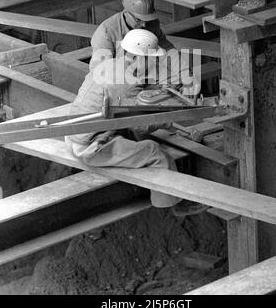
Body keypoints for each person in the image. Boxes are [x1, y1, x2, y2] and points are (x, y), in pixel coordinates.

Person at [66, 29, 203, 214]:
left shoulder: (111, 65)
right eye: (153, 59)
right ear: (141, 58)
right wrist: (168, 121)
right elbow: (140, 125)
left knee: (132, 134)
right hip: (90, 147)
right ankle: (175, 205)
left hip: (75, 134)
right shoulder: (127, 84)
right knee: (154, 151)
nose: (155, 63)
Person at [90, 0, 200, 98]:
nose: (144, 25)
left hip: (147, 71)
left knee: (177, 82)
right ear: (126, 12)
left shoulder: (150, 24)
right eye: (139, 20)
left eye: (147, 19)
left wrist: (186, 75)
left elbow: (167, 50)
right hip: (121, 80)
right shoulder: (106, 31)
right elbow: (101, 72)